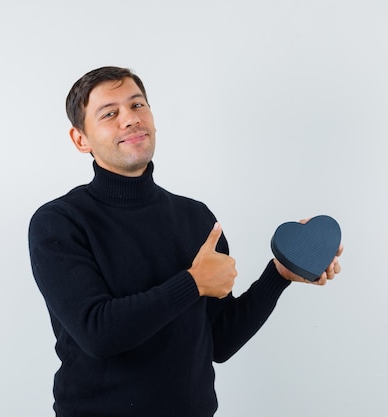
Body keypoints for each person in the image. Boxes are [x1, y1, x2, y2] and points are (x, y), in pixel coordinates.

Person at [28, 66, 343, 417]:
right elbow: (98, 334)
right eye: (110, 114)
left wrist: (279, 275)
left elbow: (219, 341)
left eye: (137, 105)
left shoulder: (197, 218)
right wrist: (192, 283)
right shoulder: (60, 223)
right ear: (80, 139)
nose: (130, 119)